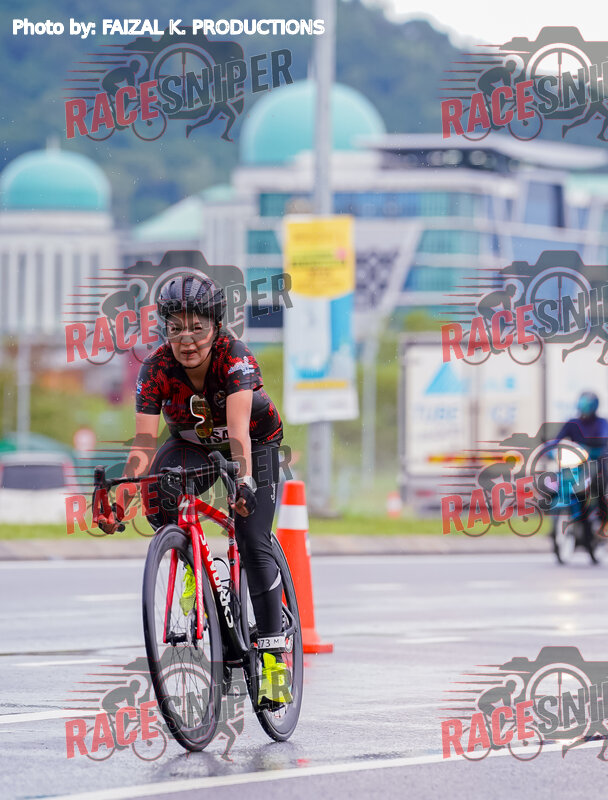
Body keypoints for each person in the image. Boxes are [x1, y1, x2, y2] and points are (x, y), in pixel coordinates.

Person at [99, 272, 291, 709]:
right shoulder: (156, 369)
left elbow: (238, 432)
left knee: (253, 539)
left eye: (197, 327)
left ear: (216, 326)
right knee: (158, 496)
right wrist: (121, 501)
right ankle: (192, 567)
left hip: (253, 444)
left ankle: (273, 659)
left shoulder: (234, 357)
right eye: (175, 328)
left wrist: (244, 482)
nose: (186, 339)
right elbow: (144, 444)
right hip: (193, 446)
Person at [547, 391, 608, 532]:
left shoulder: (601, 423)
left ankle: (602, 522)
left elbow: (604, 438)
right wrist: (550, 450)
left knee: (600, 490)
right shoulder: (572, 423)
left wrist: (598, 450)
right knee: (558, 483)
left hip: (595, 464)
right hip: (576, 464)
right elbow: (557, 440)